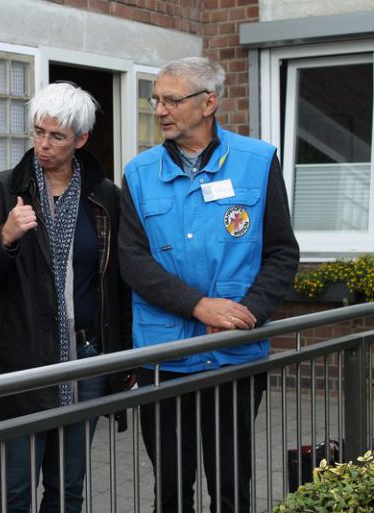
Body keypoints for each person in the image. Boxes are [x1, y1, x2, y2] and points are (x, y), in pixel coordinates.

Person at [118, 56, 300, 513]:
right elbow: (133, 261)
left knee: (231, 483)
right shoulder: (139, 173)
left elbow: (280, 252)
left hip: (233, 356)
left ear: (208, 103)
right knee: (172, 489)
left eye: (171, 100)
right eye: (155, 99)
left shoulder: (258, 161)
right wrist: (199, 306)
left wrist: (249, 313)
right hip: (165, 358)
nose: (159, 109)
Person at [0, 82, 133, 513]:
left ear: (80, 140)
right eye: (38, 131)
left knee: (68, 487)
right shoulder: (3, 189)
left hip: (87, 358)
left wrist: (125, 357)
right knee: (13, 489)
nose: (43, 144)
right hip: (20, 357)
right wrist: (5, 236)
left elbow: (119, 283)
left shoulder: (105, 198)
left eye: (56, 136)